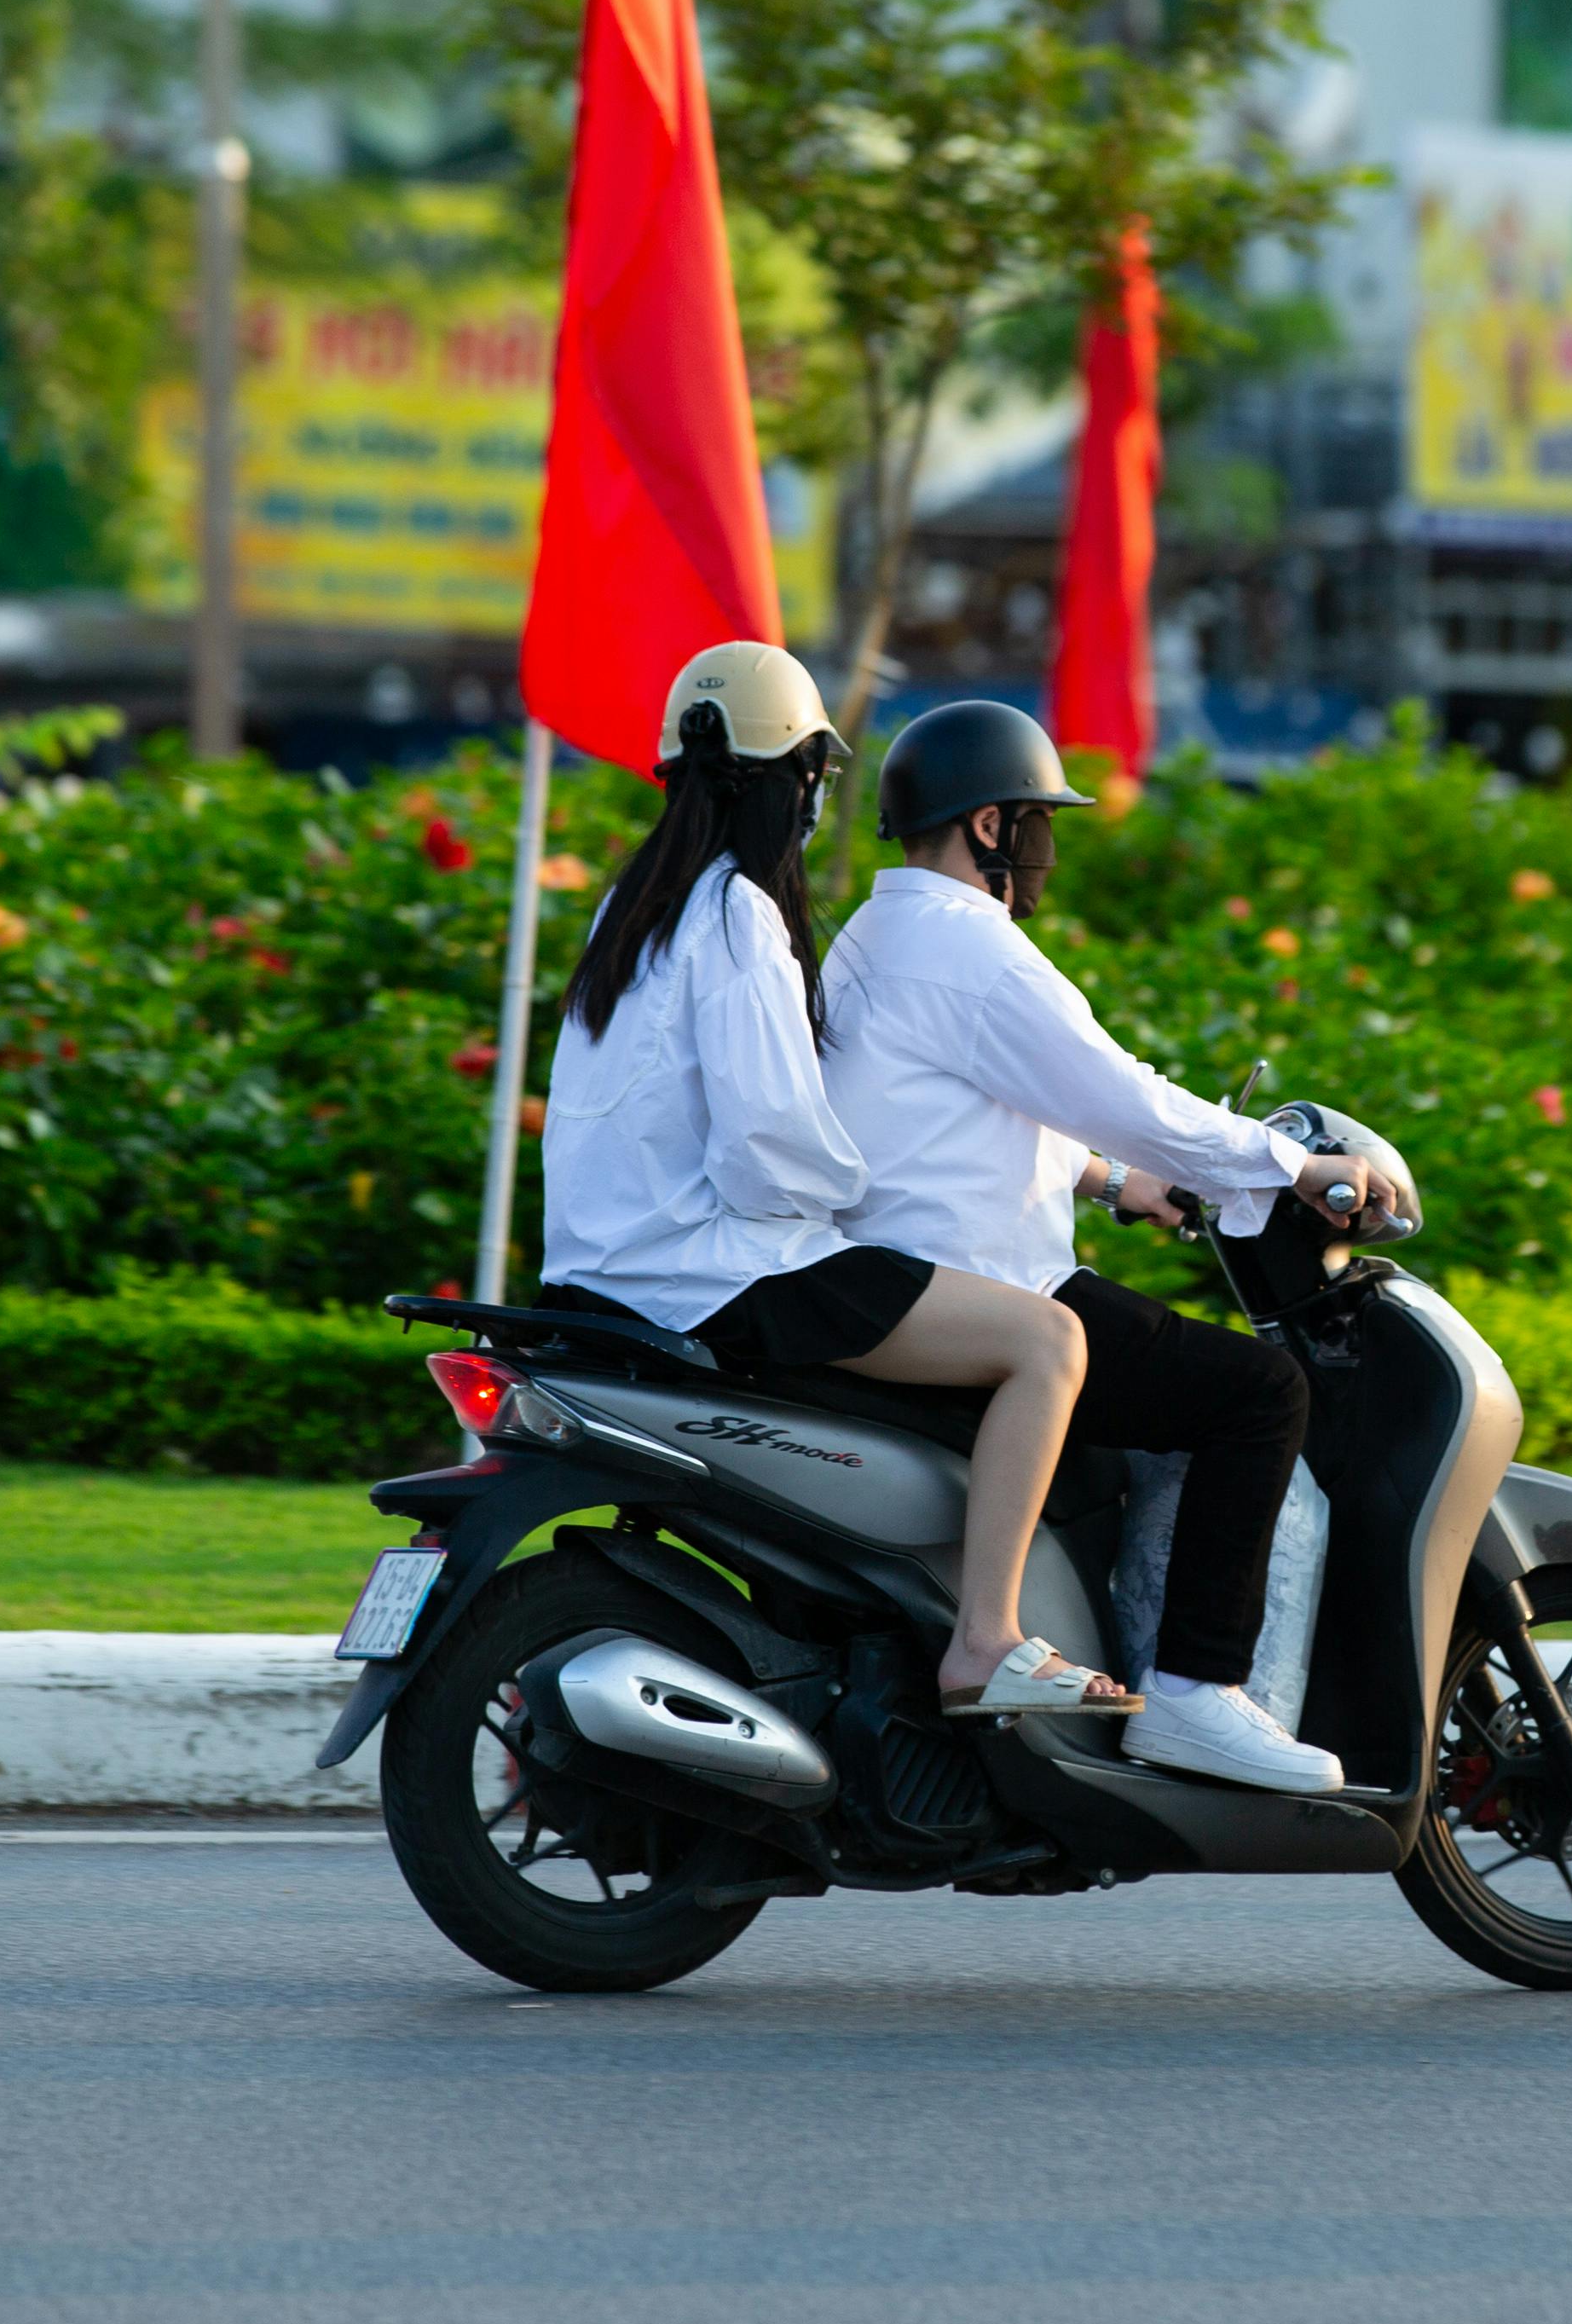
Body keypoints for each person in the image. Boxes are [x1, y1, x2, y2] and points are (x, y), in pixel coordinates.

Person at [533, 644, 1126, 1720]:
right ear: (797, 778)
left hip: (599, 1273)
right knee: (1048, 1342)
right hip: (717, 1274)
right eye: (814, 781)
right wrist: (862, 1196)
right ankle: (988, 1638)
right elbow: (771, 1147)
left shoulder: (630, 907)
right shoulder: (738, 915)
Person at [818, 702, 1396, 1796]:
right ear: (989, 826)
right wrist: (1292, 1169)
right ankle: (1193, 1694)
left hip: (905, 1267)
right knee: (1260, 1392)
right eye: (1039, 822)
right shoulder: (975, 948)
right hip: (983, 1286)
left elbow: (953, 1112)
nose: (1046, 848)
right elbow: (1120, 1092)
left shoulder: (876, 934)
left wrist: (1112, 1181)